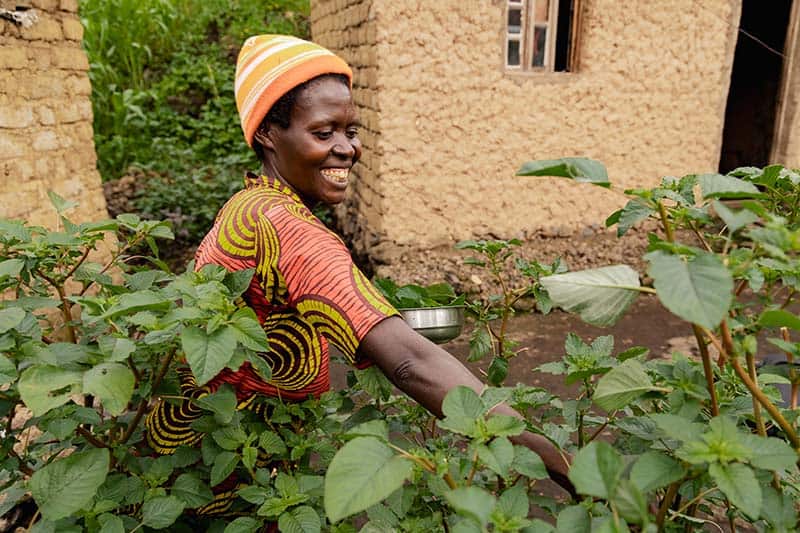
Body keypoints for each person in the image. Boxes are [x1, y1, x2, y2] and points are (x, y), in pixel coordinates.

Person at [145, 34, 573, 514]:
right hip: (225, 488)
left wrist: (380, 321)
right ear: (267, 133)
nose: (347, 148)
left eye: (350, 130)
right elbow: (411, 363)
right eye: (324, 132)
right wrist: (557, 460)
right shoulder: (287, 228)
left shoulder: (250, 206)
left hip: (192, 456)